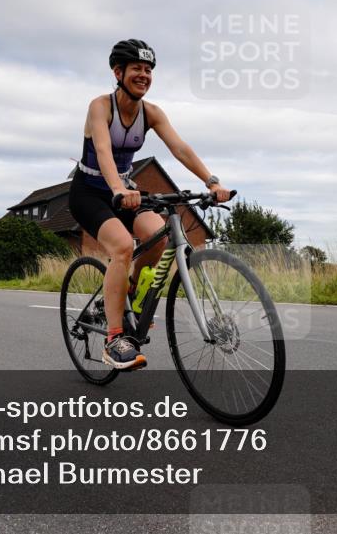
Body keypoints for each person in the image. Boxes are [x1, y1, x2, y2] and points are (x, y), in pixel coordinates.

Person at [68, 39, 232, 370]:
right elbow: (102, 151)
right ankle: (114, 340)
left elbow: (180, 148)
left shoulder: (152, 113)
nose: (143, 75)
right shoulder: (101, 107)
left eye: (148, 70)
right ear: (118, 72)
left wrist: (211, 181)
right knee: (123, 246)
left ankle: (129, 295)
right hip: (90, 192)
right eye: (136, 69)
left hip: (125, 190)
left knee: (160, 237)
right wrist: (117, 187)